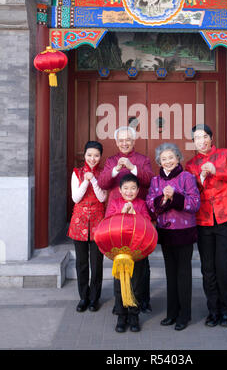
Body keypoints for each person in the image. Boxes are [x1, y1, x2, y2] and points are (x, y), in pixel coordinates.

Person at [185, 124, 227, 327]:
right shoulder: (191, 164)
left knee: (225, 267)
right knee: (208, 268)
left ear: (211, 138)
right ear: (193, 142)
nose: (201, 141)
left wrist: (217, 170)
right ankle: (213, 310)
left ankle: (226, 310)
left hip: (226, 218)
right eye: (196, 138)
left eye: (204, 137)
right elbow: (191, 191)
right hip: (203, 220)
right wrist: (200, 178)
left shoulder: (226, 154)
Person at [98, 126, 154, 313]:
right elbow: (103, 182)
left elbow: (149, 180)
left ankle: (142, 301)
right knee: (120, 260)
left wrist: (132, 168)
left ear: (133, 141)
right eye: (121, 140)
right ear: (116, 142)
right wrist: (115, 170)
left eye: (128, 139)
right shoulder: (111, 161)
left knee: (141, 263)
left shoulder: (143, 160)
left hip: (138, 216)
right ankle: (120, 302)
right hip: (117, 216)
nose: (125, 143)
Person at [146, 143, 200, 331]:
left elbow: (194, 203)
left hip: (184, 232)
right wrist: (164, 199)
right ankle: (171, 313)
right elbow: (151, 206)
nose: (167, 161)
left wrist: (175, 197)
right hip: (166, 233)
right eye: (163, 159)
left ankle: (184, 315)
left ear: (178, 158)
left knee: (183, 274)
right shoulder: (155, 181)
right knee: (171, 274)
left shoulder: (187, 177)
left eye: (171, 157)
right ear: (159, 162)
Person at [105, 173, 152, 333]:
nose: (129, 192)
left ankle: (134, 316)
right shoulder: (115, 203)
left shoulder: (141, 204)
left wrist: (134, 214)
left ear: (138, 190)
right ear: (120, 189)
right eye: (126, 188)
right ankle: (121, 316)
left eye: (133, 188)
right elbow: (108, 223)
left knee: (136, 285)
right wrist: (122, 213)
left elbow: (146, 223)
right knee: (119, 285)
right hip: (120, 253)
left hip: (137, 252)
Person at [68, 141, 107, 312]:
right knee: (81, 263)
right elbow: (76, 198)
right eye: (89, 155)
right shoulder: (77, 172)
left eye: (96, 155)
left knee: (96, 263)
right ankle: (83, 297)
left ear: (100, 156)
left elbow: (102, 198)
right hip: (80, 221)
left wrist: (95, 181)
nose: (93, 158)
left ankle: (94, 298)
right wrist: (85, 181)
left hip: (98, 220)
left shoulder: (103, 173)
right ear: (84, 155)